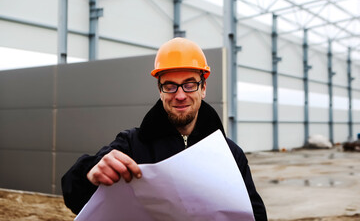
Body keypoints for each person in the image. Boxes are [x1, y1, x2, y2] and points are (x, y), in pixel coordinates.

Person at [61, 37, 267, 220]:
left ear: (203, 88)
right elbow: (74, 196)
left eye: (189, 84)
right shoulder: (131, 145)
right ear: (160, 90)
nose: (179, 95)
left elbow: (255, 215)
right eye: (169, 86)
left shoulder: (231, 155)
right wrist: (90, 173)